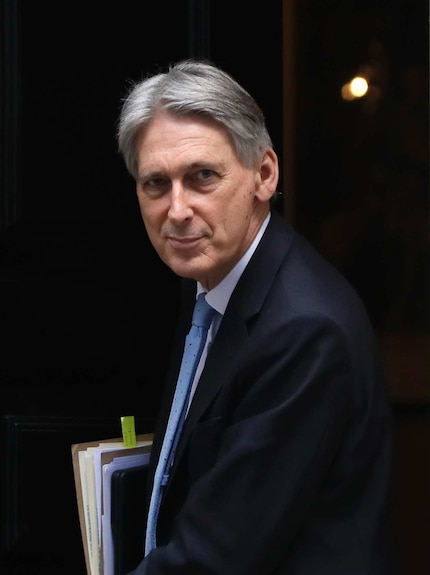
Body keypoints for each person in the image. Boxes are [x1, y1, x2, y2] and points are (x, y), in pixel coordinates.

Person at [115, 59, 395, 573]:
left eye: (202, 177)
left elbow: (216, 558)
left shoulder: (304, 330)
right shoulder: (211, 275)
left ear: (264, 174)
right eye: (156, 183)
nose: (177, 209)